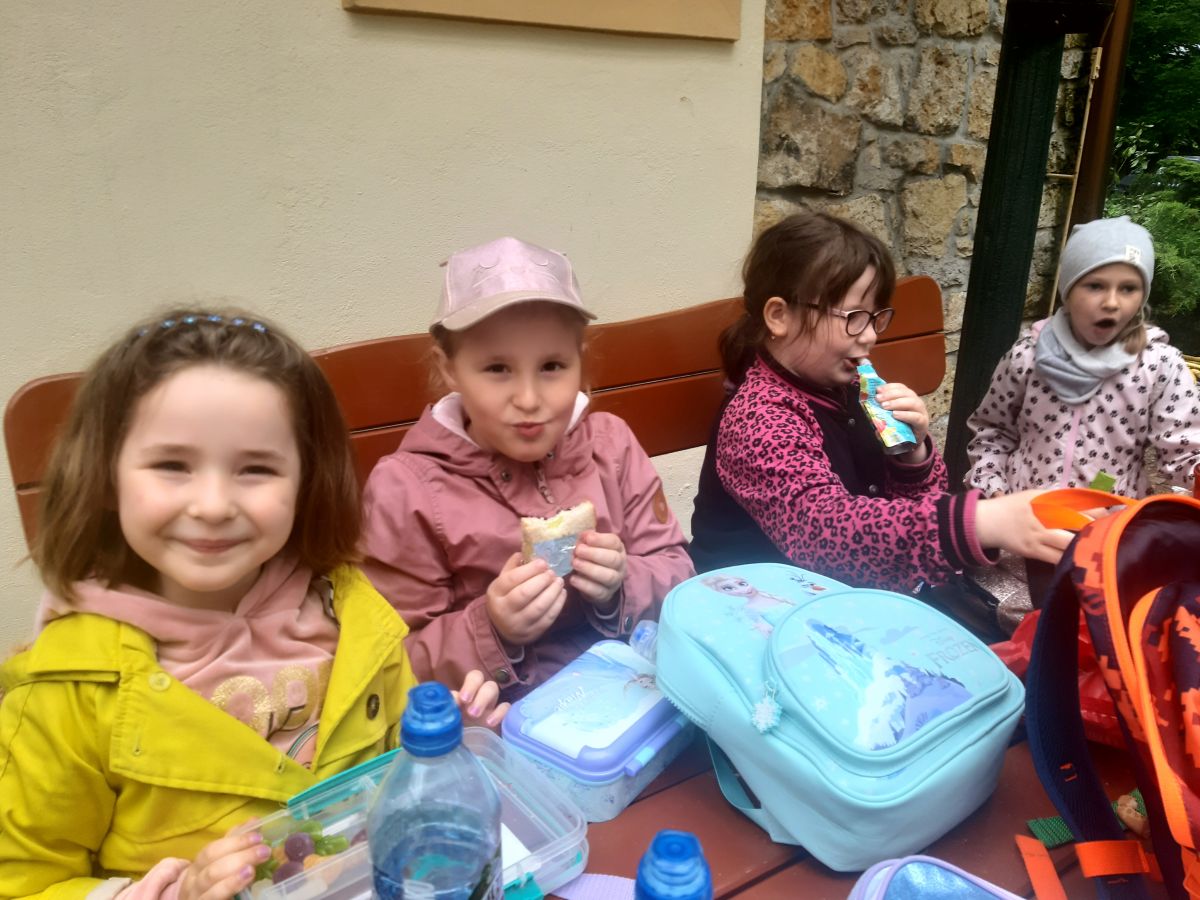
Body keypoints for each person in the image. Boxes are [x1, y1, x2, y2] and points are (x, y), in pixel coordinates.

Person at [0, 311, 507, 898]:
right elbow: (22, 881)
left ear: (305, 482)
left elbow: (393, 767)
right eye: (172, 466)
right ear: (106, 476)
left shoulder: (351, 612)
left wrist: (442, 754)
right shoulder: (66, 691)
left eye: (256, 469)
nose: (214, 505)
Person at [360, 236, 694, 698]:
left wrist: (622, 586)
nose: (529, 399)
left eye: (552, 365)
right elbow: (389, 661)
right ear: (450, 369)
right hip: (502, 720)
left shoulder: (611, 445)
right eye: (497, 369)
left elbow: (679, 573)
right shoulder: (406, 489)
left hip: (636, 697)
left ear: (581, 362)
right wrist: (491, 628)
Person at [688, 211, 1070, 592]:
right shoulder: (758, 416)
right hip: (751, 602)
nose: (870, 335)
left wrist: (912, 456)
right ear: (779, 316)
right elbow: (826, 534)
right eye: (853, 317)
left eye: (875, 318)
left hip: (840, 593)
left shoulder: (852, 387)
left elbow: (917, 503)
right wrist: (981, 522)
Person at [967, 216, 1200, 606]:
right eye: (1095, 285)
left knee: (1084, 626)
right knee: (1012, 622)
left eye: (1128, 288)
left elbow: (1185, 451)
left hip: (1107, 535)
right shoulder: (1027, 357)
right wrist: (994, 492)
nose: (1111, 302)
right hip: (1024, 528)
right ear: (1068, 289)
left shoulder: (1159, 367)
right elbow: (992, 431)